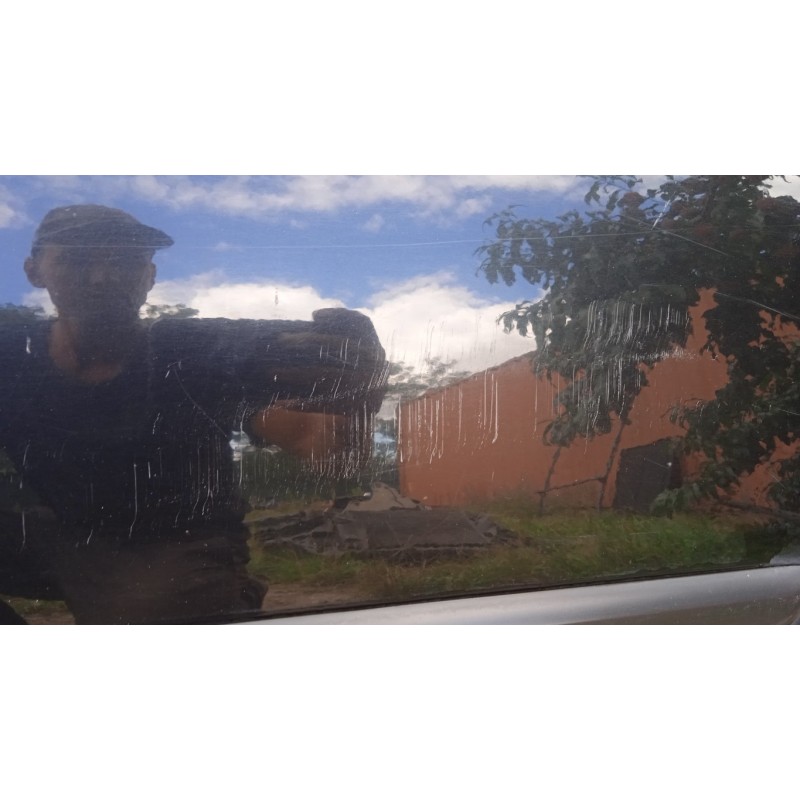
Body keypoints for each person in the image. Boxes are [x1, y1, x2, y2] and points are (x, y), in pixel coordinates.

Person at [0, 205, 387, 623]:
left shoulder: (190, 357)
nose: (102, 277)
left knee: (161, 614)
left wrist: (356, 402)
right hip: (59, 532)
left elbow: (320, 445)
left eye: (126, 261)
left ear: (149, 276)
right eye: (76, 260)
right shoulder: (12, 355)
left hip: (175, 547)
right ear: (34, 272)